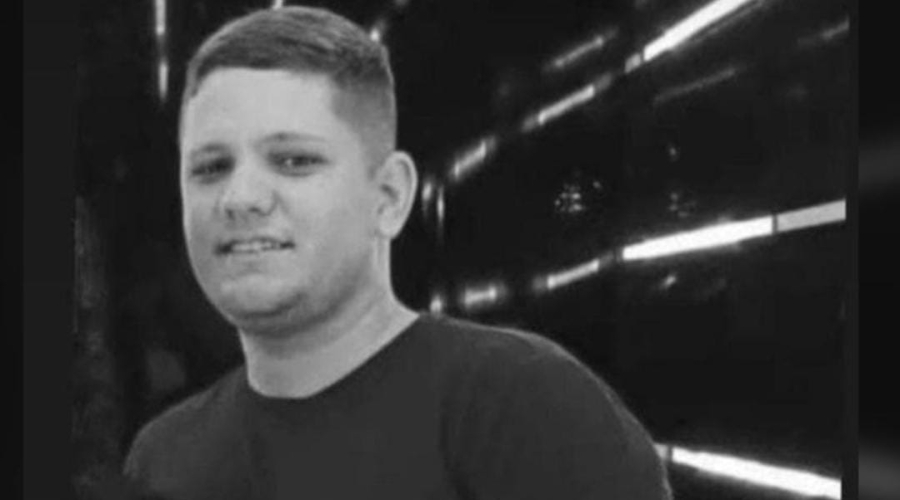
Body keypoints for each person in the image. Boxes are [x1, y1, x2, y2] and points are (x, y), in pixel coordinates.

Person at [123, 6, 672, 500]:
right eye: (210, 167)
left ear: (388, 196)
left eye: (293, 161)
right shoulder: (164, 457)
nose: (240, 197)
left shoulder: (520, 405)